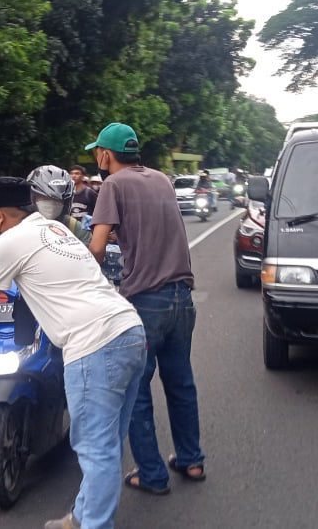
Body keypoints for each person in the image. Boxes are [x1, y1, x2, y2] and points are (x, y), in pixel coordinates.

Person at [0, 177, 145, 529]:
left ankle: (94, 524)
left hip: (94, 344)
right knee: (107, 445)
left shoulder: (10, 241)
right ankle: (83, 517)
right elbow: (5, 263)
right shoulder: (51, 230)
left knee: (96, 451)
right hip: (128, 330)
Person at [86, 122, 206, 497]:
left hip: (145, 302)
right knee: (180, 382)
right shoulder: (161, 180)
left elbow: (96, 248)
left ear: (106, 154)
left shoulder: (112, 185)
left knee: (136, 390)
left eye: (97, 152)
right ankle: (192, 459)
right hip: (181, 297)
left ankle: (152, 473)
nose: (95, 158)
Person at [27, 165, 91, 244]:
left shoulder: (75, 228)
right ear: (33, 198)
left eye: (57, 200)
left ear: (66, 201)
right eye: (44, 198)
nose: (51, 204)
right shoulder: (21, 226)